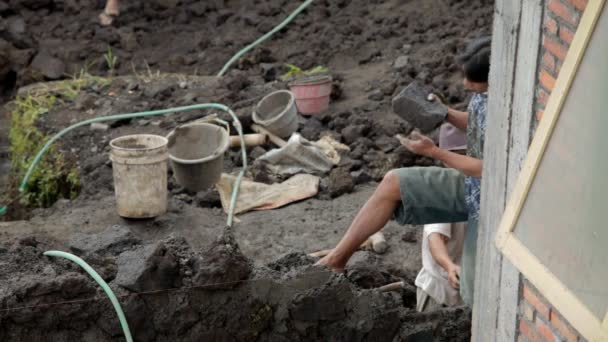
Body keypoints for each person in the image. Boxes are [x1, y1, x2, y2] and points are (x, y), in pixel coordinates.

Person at [317, 36, 490, 306]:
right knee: (393, 182)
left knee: (473, 287)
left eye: (474, 81)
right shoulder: (484, 95)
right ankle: (336, 260)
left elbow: (485, 170)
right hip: (469, 183)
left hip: (488, 194)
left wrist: (433, 152)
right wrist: (443, 112)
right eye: (465, 78)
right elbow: (476, 120)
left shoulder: (508, 108)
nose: (466, 85)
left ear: (492, 78)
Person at [416, 123, 468, 312]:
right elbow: (435, 238)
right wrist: (449, 266)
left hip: (463, 294)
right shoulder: (443, 192)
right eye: (461, 155)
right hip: (438, 294)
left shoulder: (476, 189)